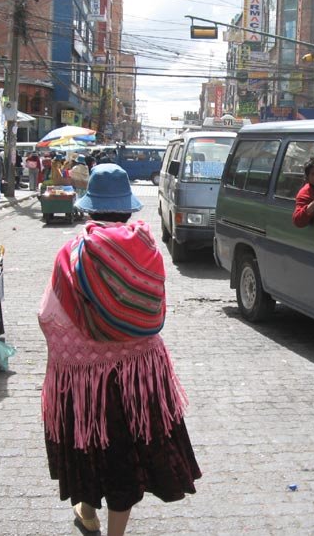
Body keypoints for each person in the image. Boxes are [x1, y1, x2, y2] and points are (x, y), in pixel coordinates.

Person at [38, 164, 201, 536]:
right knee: (126, 456)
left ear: (89, 208)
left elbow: (47, 315)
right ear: (127, 208)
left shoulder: (71, 253)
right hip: (138, 376)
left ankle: (87, 512)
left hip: (84, 382)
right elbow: (155, 307)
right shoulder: (148, 248)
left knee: (89, 449)